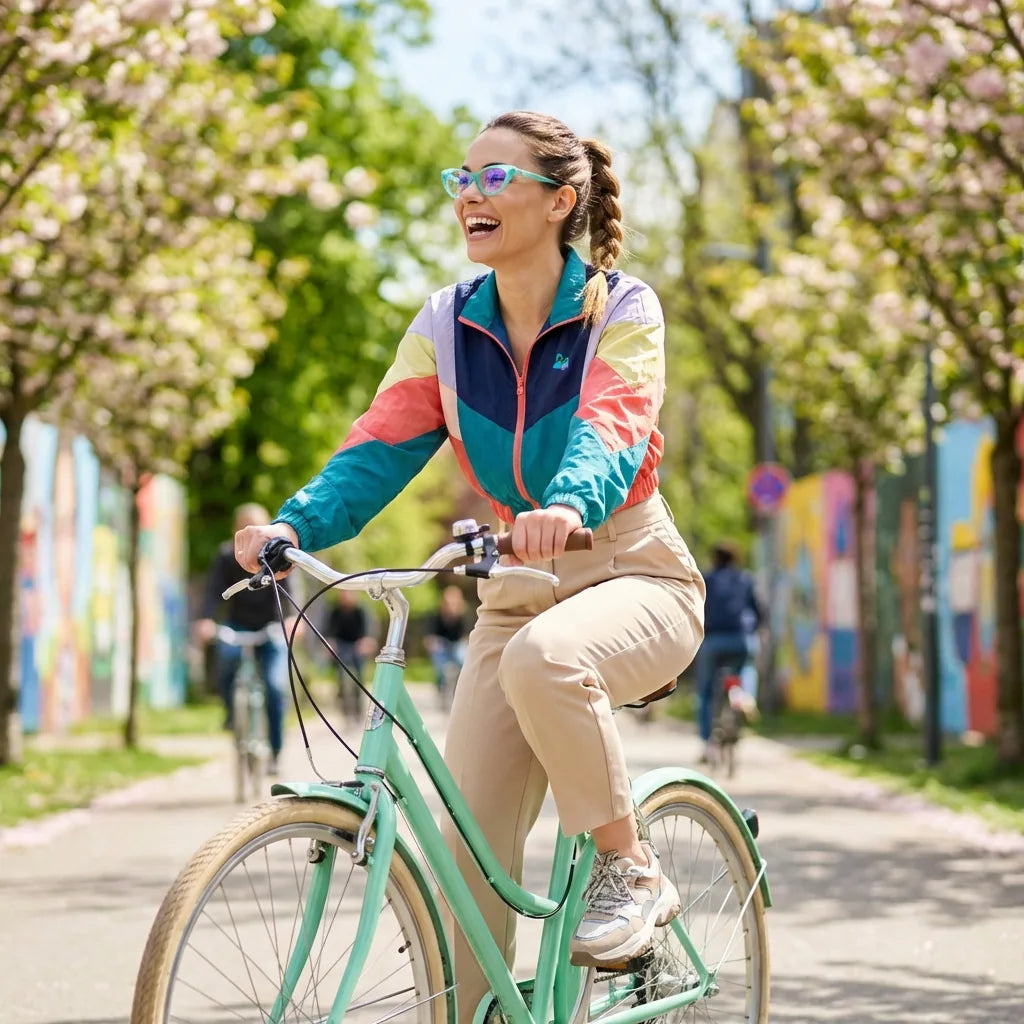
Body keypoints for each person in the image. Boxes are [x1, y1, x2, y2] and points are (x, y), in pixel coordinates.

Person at [234, 110, 705, 1019]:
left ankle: (630, 866)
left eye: (495, 178)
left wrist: (569, 503)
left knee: (548, 660)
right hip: (517, 589)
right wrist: (294, 523)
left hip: (633, 569)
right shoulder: (447, 324)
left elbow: (615, 421)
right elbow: (380, 445)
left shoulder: (622, 307)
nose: (469, 197)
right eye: (463, 178)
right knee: (466, 857)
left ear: (559, 200)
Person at [196, 503, 292, 776]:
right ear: (237, 530)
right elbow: (213, 591)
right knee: (226, 659)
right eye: (245, 525)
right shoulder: (226, 556)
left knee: (274, 687)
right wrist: (206, 619)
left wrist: (291, 619)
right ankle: (231, 712)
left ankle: (275, 751)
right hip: (237, 626)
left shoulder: (278, 554)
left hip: (271, 626)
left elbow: (290, 590)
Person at [695, 541, 762, 762]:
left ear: (714, 558)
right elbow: (758, 611)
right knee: (748, 667)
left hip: (712, 641)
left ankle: (707, 744)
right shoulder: (745, 579)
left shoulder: (706, 580)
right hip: (741, 639)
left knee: (705, 691)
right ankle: (744, 696)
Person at [324, 589, 379, 722]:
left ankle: (358, 710)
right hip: (341, 646)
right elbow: (329, 631)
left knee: (358, 679)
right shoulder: (335, 611)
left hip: (357, 646)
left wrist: (367, 641)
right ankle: (344, 708)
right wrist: (330, 644)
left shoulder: (362, 611)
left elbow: (369, 631)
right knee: (341, 677)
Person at [423, 584, 470, 706]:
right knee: (440, 665)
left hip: (457, 645)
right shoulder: (436, 617)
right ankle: (441, 689)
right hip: (442, 645)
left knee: (462, 659)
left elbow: (467, 636)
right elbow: (430, 637)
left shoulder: (463, 617)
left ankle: (459, 689)